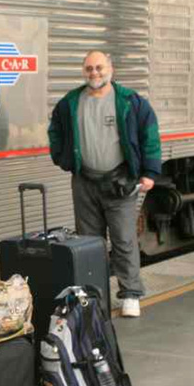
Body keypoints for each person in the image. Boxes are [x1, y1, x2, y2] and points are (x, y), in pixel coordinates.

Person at [48, 50, 161, 317]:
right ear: (83, 71)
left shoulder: (130, 102)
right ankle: (94, 296)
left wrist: (150, 173)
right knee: (89, 242)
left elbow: (150, 135)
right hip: (85, 182)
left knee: (123, 239)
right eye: (89, 68)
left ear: (111, 68)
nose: (94, 73)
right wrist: (63, 158)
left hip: (119, 181)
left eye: (99, 67)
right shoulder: (71, 102)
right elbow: (55, 131)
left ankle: (131, 294)